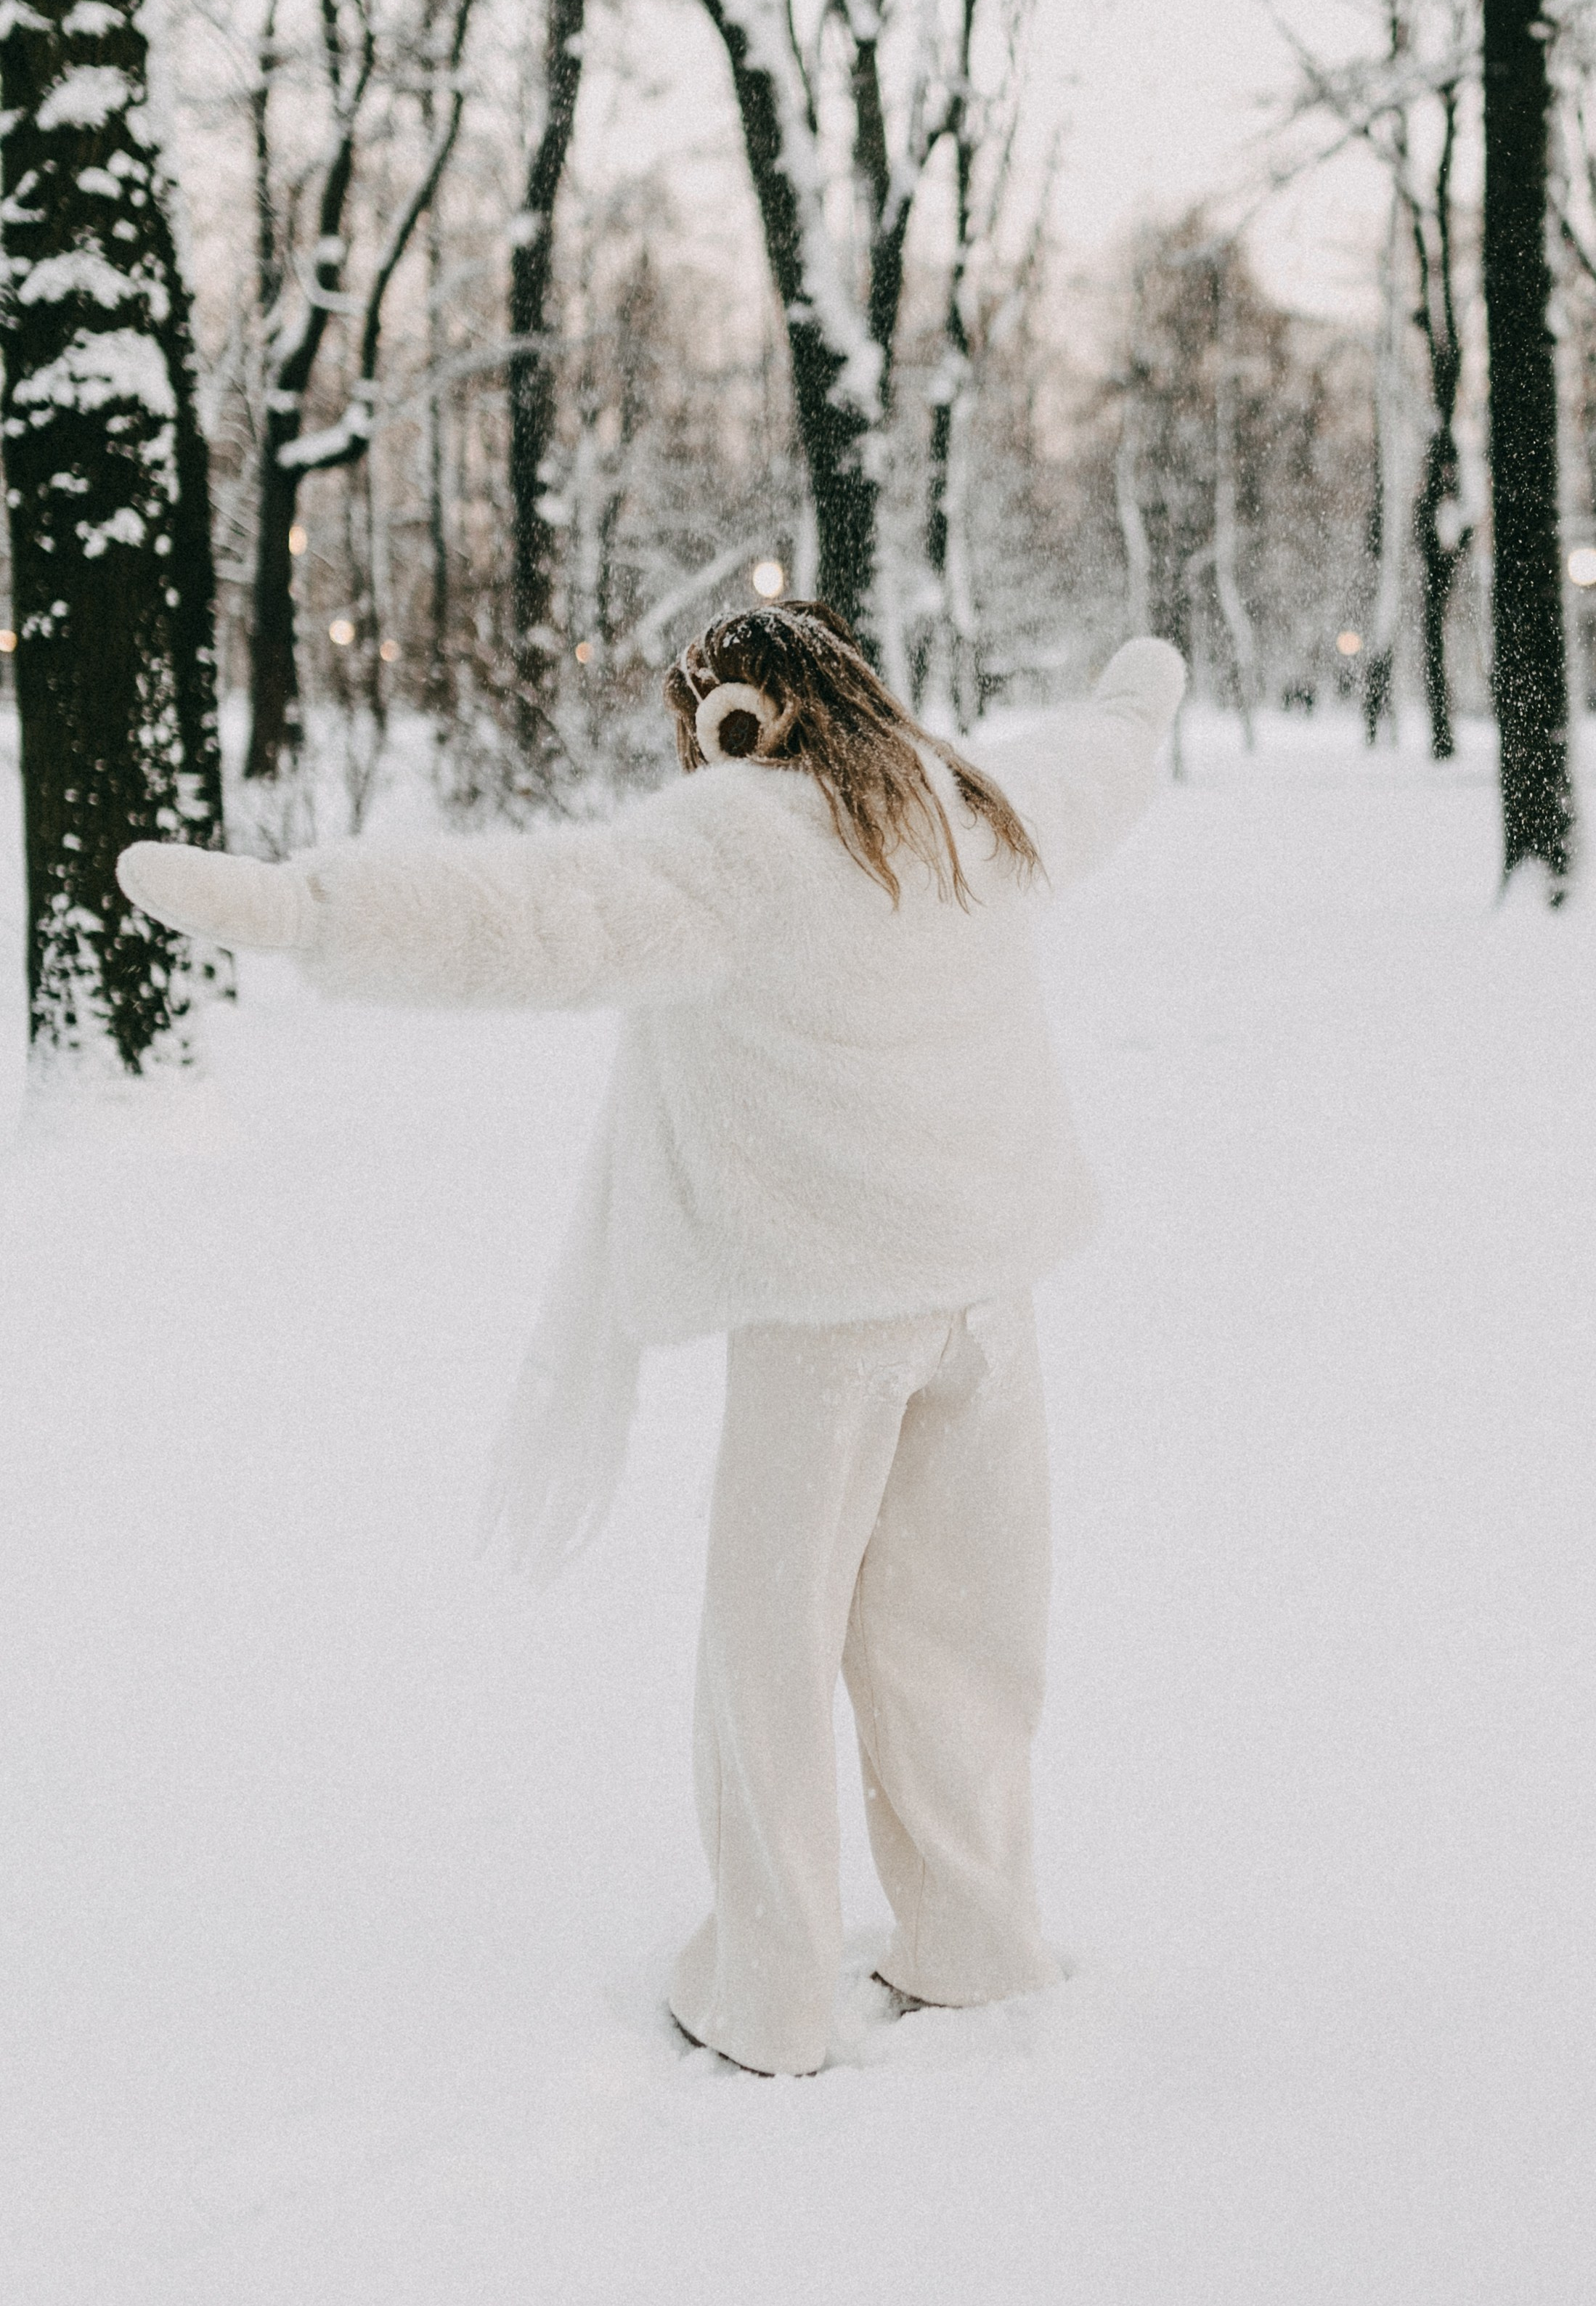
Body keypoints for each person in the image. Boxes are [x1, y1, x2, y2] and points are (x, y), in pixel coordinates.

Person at [118, 602, 1184, 2079]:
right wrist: (1137, 700)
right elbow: (1094, 766)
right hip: (987, 1302)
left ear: (730, 717)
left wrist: (308, 910)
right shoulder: (963, 803)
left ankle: (771, 1989)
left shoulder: (730, 842)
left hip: (826, 1317)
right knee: (962, 1636)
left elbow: (527, 917)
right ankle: (974, 1932)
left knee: (770, 1651)